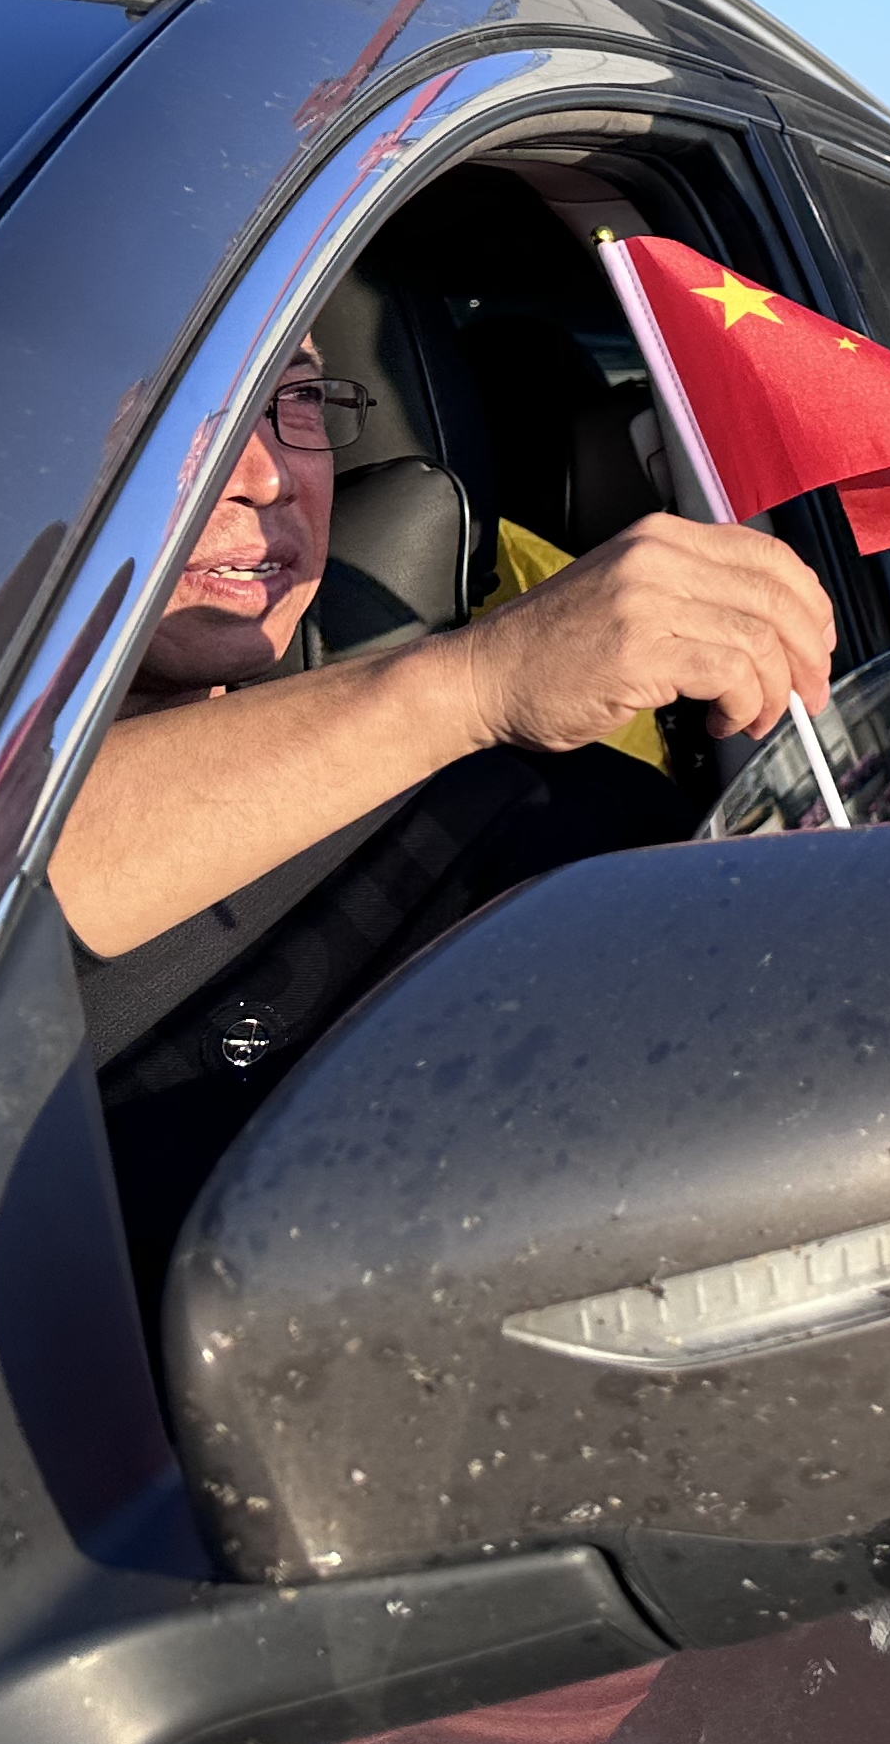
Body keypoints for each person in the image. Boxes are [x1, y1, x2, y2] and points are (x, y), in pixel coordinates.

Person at [64, 330, 837, 1276]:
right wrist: (475, 682)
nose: (266, 478)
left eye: (295, 399)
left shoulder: (548, 842)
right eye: (170, 406)